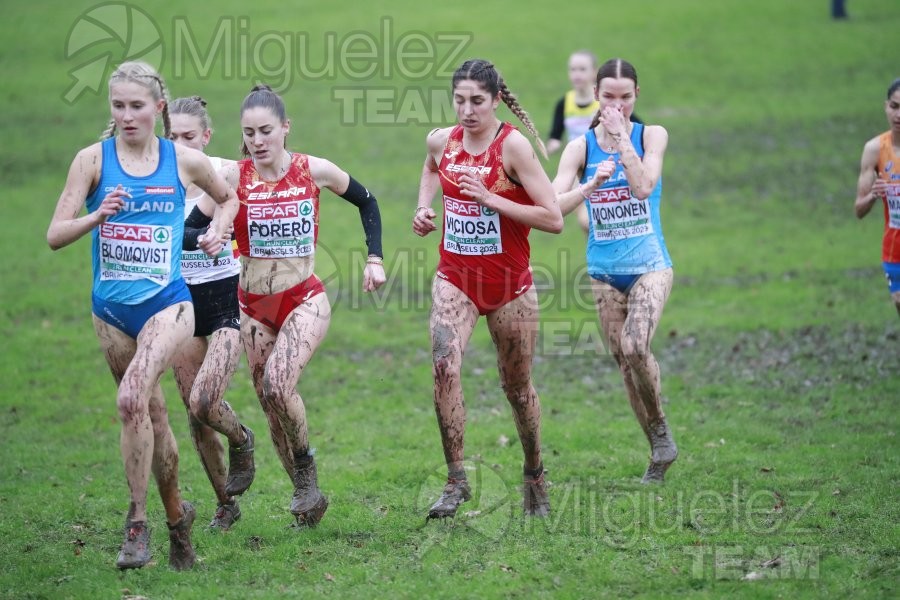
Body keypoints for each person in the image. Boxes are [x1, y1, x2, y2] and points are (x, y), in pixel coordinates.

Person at [46, 61, 239, 569]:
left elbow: (229, 199)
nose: (127, 116)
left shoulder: (183, 160)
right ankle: (179, 523)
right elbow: (54, 234)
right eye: (118, 106)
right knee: (149, 416)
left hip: (168, 304)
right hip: (109, 311)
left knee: (130, 398)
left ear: (158, 108)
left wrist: (220, 228)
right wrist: (97, 215)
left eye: (137, 106)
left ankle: (136, 523)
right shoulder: (91, 160)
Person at [219, 84, 386, 527]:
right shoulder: (233, 177)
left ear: (285, 129)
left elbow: (366, 200)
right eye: (249, 133)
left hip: (304, 300)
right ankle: (306, 499)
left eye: (266, 131)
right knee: (272, 406)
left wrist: (375, 258)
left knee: (278, 385)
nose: (258, 141)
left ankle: (306, 468)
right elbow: (193, 214)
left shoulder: (313, 170)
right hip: (252, 308)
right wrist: (206, 235)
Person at [413, 59, 563, 519]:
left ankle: (535, 472)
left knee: (517, 389)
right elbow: (430, 167)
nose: (467, 110)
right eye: (459, 100)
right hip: (455, 279)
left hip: (511, 288)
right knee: (443, 365)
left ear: (496, 99)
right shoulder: (443, 140)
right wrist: (423, 208)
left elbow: (554, 217)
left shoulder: (512, 148)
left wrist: (491, 199)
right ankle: (456, 480)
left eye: (477, 101)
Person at [552, 58, 677, 484]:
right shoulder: (580, 148)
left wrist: (623, 142)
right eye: (609, 97)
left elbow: (643, 187)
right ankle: (657, 453)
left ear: (636, 96)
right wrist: (588, 187)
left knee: (636, 344)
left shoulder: (651, 135)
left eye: (625, 97)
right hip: (604, 272)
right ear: (596, 96)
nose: (616, 105)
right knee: (626, 363)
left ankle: (660, 428)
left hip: (650, 267)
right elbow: (553, 208)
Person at [168, 95, 256, 531]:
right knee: (194, 412)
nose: (181, 145)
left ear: (206, 136)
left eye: (189, 137)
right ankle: (227, 504)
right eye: (173, 136)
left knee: (206, 399)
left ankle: (242, 440)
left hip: (225, 299)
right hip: (178, 305)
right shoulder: (158, 180)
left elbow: (220, 216)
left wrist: (217, 233)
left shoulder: (223, 172)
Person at [546, 50, 642, 236]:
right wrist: (553, 142)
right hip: (580, 164)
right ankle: (598, 241)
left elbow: (634, 124)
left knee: (603, 216)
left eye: (582, 69)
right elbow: (556, 132)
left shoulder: (609, 101)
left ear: (593, 73)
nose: (577, 74)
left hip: (609, 159)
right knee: (586, 220)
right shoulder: (565, 102)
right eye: (573, 69)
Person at [854, 78, 900, 316]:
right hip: (895, 248)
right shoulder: (874, 150)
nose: (899, 115)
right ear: (885, 106)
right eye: (894, 106)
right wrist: (874, 194)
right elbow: (859, 210)